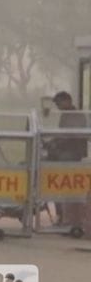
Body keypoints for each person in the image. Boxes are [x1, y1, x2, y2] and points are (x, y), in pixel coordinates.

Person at [44, 91, 88, 226]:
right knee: (50, 176)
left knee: (62, 183)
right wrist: (51, 143)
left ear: (67, 101)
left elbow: (71, 136)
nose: (57, 106)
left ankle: (66, 217)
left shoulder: (77, 116)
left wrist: (54, 144)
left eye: (59, 103)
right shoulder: (65, 115)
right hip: (62, 152)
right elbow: (61, 135)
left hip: (72, 154)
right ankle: (60, 213)